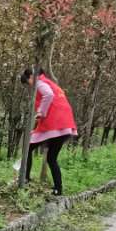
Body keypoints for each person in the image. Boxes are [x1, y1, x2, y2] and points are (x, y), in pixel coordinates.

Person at [21, 68, 77, 196]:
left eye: (27, 82)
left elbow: (48, 95)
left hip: (55, 125)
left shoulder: (40, 83)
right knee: (52, 158)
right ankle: (58, 189)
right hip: (65, 125)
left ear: (31, 76)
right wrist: (37, 129)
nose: (30, 86)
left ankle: (26, 180)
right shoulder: (52, 84)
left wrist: (40, 112)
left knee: (28, 147)